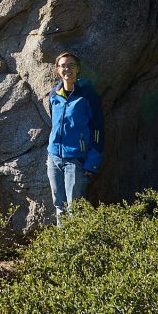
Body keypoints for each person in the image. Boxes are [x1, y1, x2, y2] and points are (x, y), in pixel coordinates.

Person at [46, 51, 104, 225]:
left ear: (78, 69)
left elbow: (97, 130)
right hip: (54, 158)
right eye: (63, 65)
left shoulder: (88, 96)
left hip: (76, 160)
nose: (67, 69)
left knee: (75, 208)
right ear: (57, 70)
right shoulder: (54, 95)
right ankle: (63, 246)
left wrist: (92, 162)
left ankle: (77, 247)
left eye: (71, 65)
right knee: (59, 205)